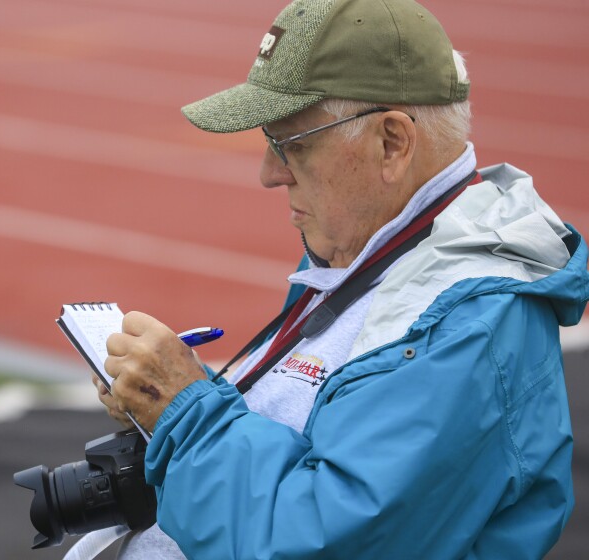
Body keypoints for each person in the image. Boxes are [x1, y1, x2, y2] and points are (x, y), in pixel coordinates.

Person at [93, 0, 589, 558]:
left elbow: (316, 541)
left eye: (294, 146)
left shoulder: (466, 324)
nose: (269, 174)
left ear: (392, 143)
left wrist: (184, 414)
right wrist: (171, 394)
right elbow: (304, 431)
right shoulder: (377, 255)